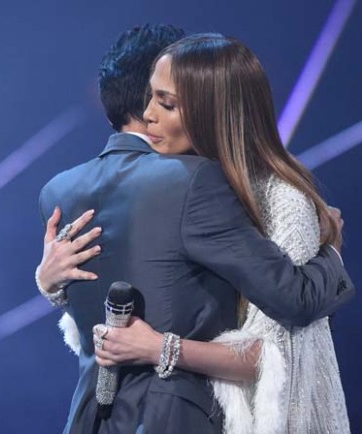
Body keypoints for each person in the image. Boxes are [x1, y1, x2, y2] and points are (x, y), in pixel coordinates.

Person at [36, 29, 355, 434]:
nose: (149, 113)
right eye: (150, 97)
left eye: (165, 102)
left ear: (211, 109)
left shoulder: (272, 197)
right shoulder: (191, 183)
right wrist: (335, 253)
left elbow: (279, 345)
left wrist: (160, 346)